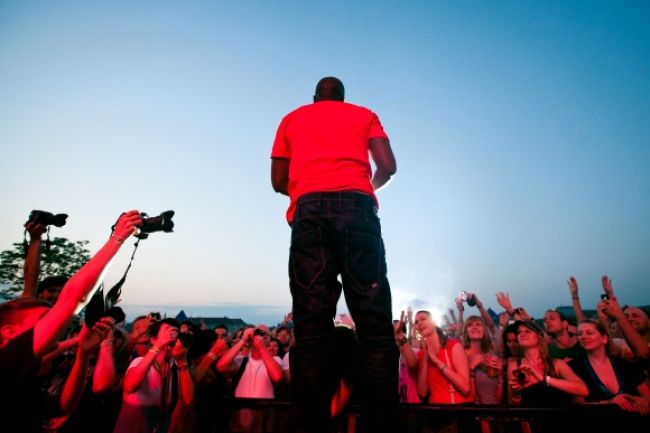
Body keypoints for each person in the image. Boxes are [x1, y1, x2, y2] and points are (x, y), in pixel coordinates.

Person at [270, 76, 398, 433]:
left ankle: (309, 425)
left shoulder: (293, 119)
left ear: (315, 98)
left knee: (311, 330)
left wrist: (309, 188)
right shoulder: (364, 115)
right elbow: (388, 165)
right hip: (358, 209)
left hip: (309, 213)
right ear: (343, 99)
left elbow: (278, 179)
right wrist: (360, 188)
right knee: (374, 328)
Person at [0, 210, 142, 433]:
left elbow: (65, 405)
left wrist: (83, 355)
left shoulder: (23, 376)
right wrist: (117, 238)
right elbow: (70, 298)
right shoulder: (5, 361)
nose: (51, 327)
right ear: (8, 331)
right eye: (40, 321)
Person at [112, 318, 194, 433]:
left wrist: (182, 361)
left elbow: (188, 399)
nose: (172, 336)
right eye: (167, 332)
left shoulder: (175, 368)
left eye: (175, 333)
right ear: (153, 340)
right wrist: (158, 346)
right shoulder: (140, 362)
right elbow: (130, 386)